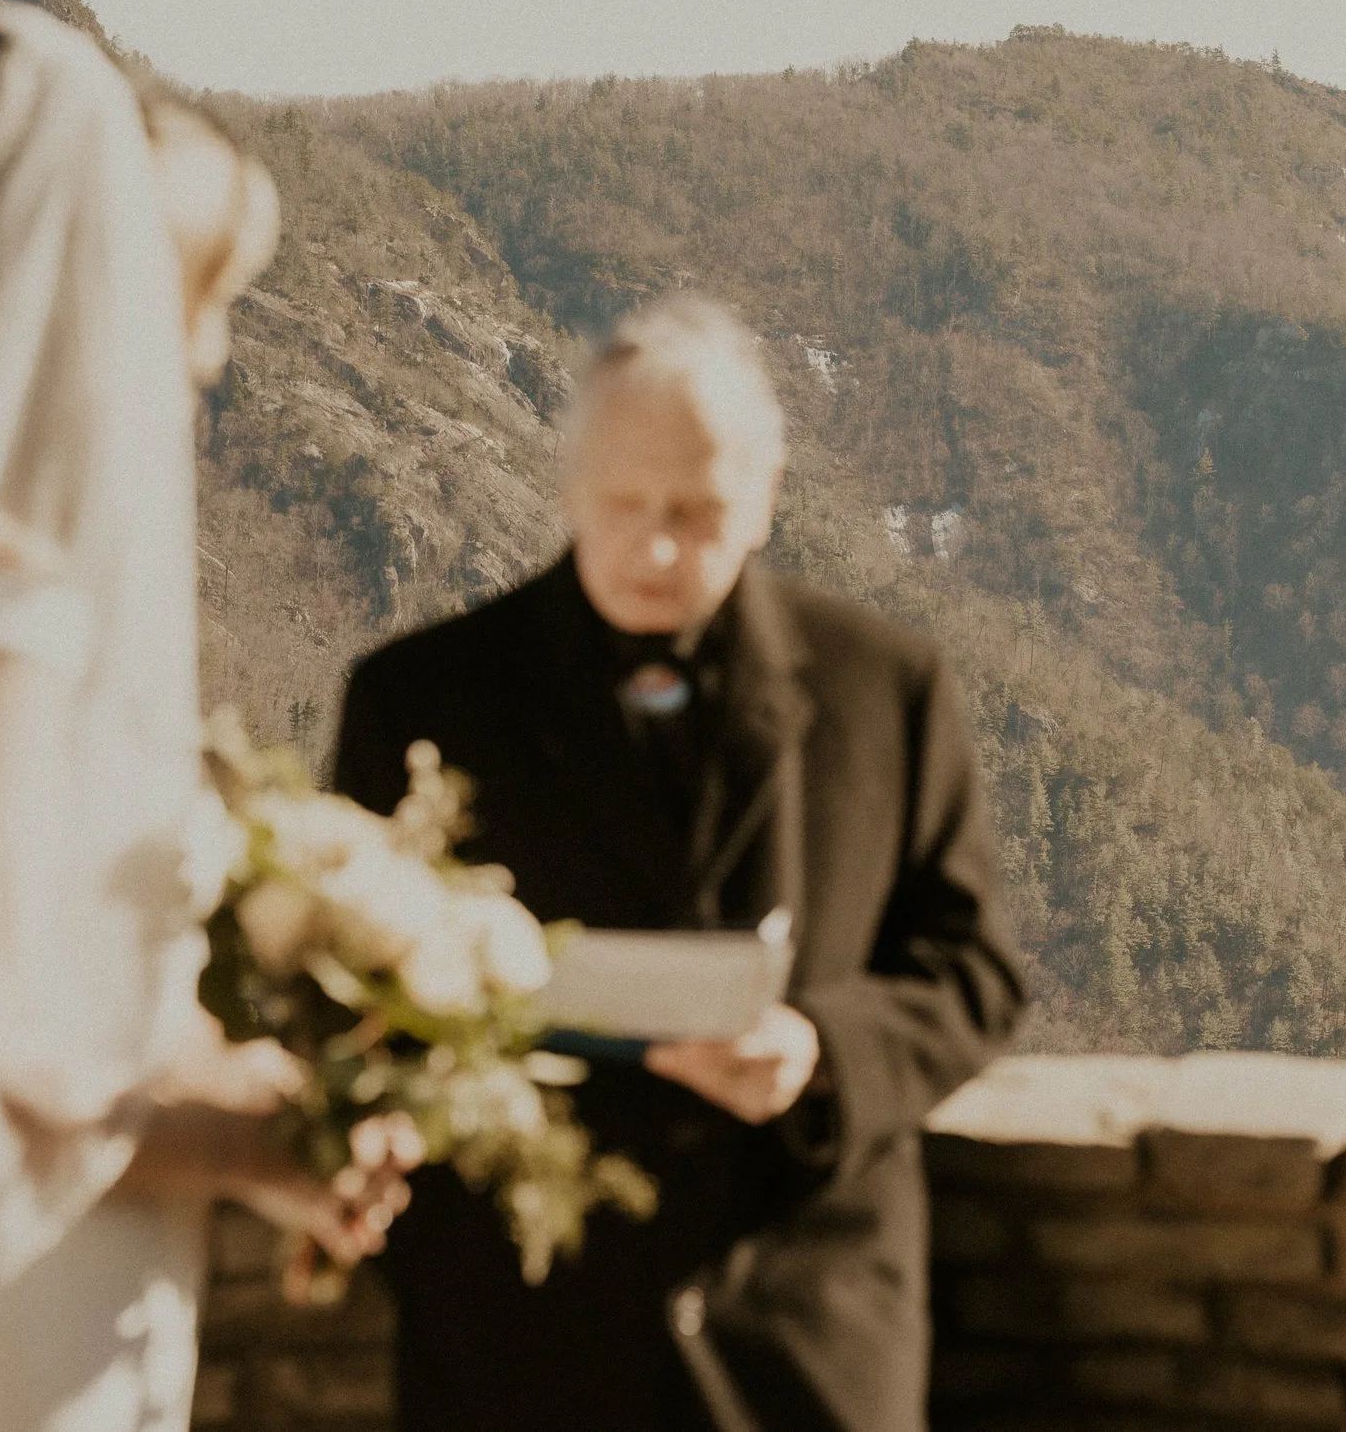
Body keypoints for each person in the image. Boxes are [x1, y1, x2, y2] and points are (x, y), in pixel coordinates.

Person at [0, 3, 408, 1432]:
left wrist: (239, 1115)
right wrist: (230, 1134)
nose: (205, 357)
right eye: (192, 297)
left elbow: (31, 983)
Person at [333, 291, 1025, 1432]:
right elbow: (346, 1000)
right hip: (520, 1346)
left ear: (764, 501)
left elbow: (973, 970)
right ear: (567, 484)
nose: (656, 549)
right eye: (625, 503)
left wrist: (820, 1049)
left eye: (698, 511)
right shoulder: (419, 698)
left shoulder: (884, 689)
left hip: (803, 1346)